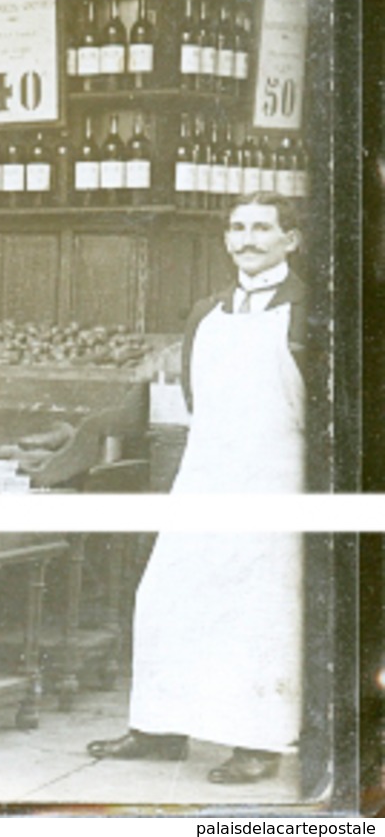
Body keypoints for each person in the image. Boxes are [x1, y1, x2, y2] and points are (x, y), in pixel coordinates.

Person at [87, 191, 308, 785]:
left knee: (260, 610)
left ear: (292, 239)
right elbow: (194, 397)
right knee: (167, 595)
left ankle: (256, 741)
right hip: (206, 475)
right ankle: (159, 729)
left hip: (279, 481)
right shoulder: (206, 313)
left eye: (263, 228)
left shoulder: (311, 312)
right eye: (237, 228)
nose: (248, 239)